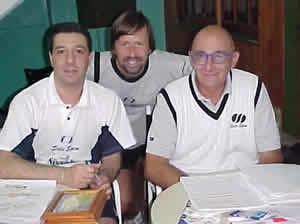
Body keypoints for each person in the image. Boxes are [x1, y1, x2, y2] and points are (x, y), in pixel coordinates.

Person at [0, 22, 136, 224]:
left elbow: (112, 156)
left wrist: (104, 177)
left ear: (89, 57)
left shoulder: (108, 101)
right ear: (51, 58)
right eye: (61, 51)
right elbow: (4, 164)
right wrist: (64, 175)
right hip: (37, 189)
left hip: (87, 191)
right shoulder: (27, 102)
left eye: (78, 51)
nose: (70, 60)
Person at [144, 25, 283, 190]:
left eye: (218, 57)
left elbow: (271, 155)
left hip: (246, 188)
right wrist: (200, 191)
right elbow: (154, 166)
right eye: (200, 56)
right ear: (191, 58)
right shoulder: (170, 98)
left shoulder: (254, 89)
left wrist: (248, 188)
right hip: (189, 188)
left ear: (234, 60)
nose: (208, 66)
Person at [86, 10, 192, 220]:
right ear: (113, 48)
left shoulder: (167, 64)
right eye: (124, 44)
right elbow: (61, 78)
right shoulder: (96, 66)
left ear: (150, 48)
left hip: (151, 145)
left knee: (158, 202)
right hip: (114, 147)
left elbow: (206, 67)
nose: (132, 53)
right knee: (125, 203)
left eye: (139, 44)